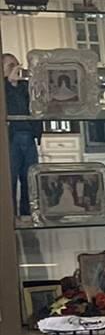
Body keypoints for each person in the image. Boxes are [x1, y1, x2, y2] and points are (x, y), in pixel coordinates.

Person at [4, 53, 39, 218]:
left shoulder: (26, 87)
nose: (15, 68)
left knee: (30, 181)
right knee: (8, 182)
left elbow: (36, 107)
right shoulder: (3, 88)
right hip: (9, 139)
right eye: (10, 65)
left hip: (29, 137)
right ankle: (9, 220)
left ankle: (27, 217)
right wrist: (9, 83)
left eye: (17, 65)